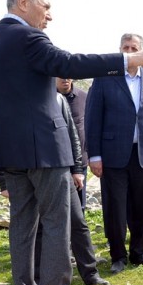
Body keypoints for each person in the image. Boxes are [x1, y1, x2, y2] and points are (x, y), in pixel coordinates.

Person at [0, 0, 143, 285]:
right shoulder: (28, 37)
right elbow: (68, 63)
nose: (50, 16)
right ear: (24, 2)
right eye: (46, 7)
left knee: (22, 226)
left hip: (8, 151)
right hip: (44, 149)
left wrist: (14, 122)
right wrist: (127, 59)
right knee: (57, 222)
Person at [85, 33, 143, 272]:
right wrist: (94, 155)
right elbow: (93, 118)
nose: (130, 50)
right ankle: (118, 256)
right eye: (126, 47)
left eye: (135, 47)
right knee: (114, 207)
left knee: (140, 204)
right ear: (120, 50)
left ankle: (138, 251)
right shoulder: (105, 78)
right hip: (112, 154)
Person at [35, 94, 107, 285]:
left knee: (78, 223)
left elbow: (73, 136)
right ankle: (42, 281)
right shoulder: (21, 98)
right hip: (35, 174)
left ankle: (90, 274)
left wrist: (77, 169)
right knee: (41, 228)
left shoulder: (58, 99)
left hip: (64, 172)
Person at [56, 77, 89, 208]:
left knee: (79, 205)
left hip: (80, 161)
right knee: (59, 205)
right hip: (57, 162)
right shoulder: (48, 98)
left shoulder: (83, 97)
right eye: (60, 76)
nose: (65, 79)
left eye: (67, 75)